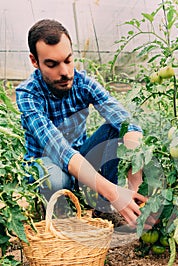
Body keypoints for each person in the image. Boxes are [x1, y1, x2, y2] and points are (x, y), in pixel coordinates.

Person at [16, 19, 155, 230]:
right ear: (34, 61)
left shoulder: (82, 83)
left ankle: (102, 205)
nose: (65, 72)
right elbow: (61, 151)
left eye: (68, 60)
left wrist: (135, 180)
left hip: (80, 157)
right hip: (47, 162)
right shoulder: (28, 95)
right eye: (52, 64)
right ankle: (59, 215)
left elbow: (127, 122)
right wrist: (115, 192)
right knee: (56, 179)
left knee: (117, 130)